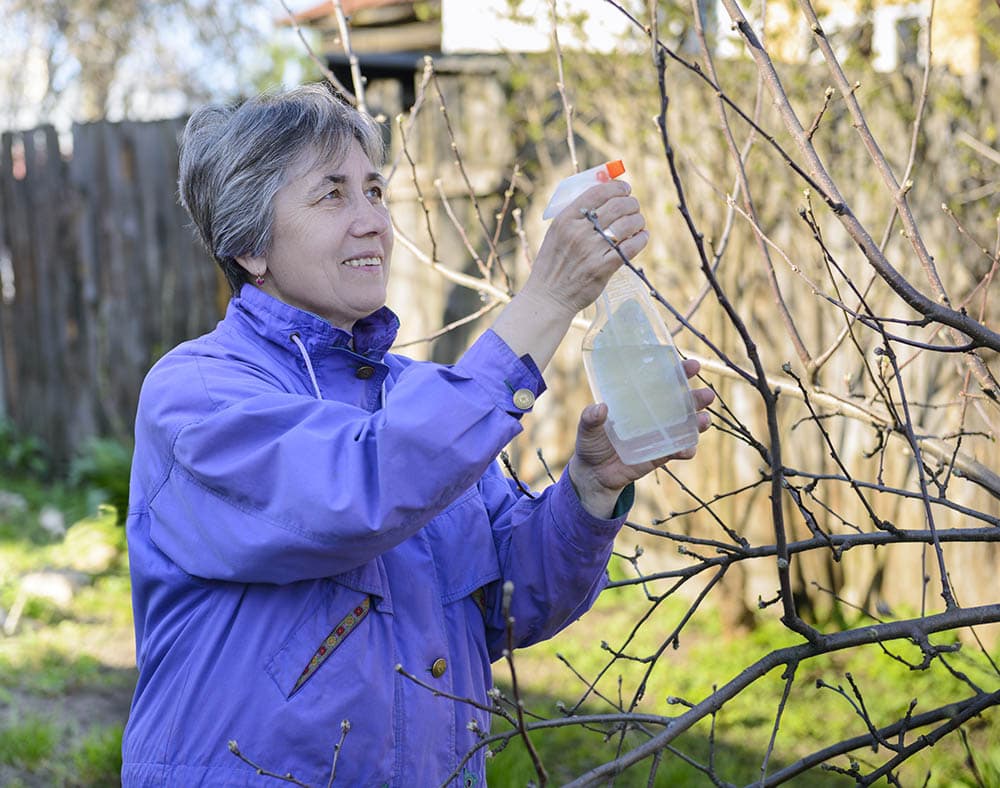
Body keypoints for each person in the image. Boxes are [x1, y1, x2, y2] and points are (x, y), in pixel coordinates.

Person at [121, 83, 714, 786]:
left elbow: (508, 605)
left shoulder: (410, 398)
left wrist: (591, 488)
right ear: (250, 245)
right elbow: (358, 492)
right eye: (332, 194)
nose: (372, 219)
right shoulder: (199, 394)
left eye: (374, 191)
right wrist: (547, 301)